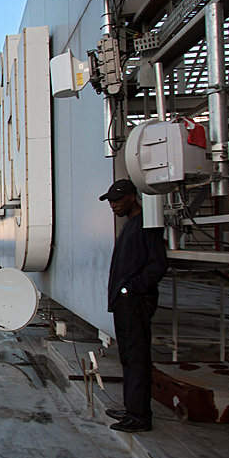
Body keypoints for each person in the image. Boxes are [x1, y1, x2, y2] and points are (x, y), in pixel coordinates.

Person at [99, 178, 167, 432]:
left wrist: (130, 289)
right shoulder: (130, 225)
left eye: (117, 200)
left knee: (137, 357)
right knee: (128, 357)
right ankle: (132, 408)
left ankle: (139, 417)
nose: (113, 206)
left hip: (135, 301)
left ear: (131, 198)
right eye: (111, 201)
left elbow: (158, 264)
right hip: (125, 302)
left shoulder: (147, 226)